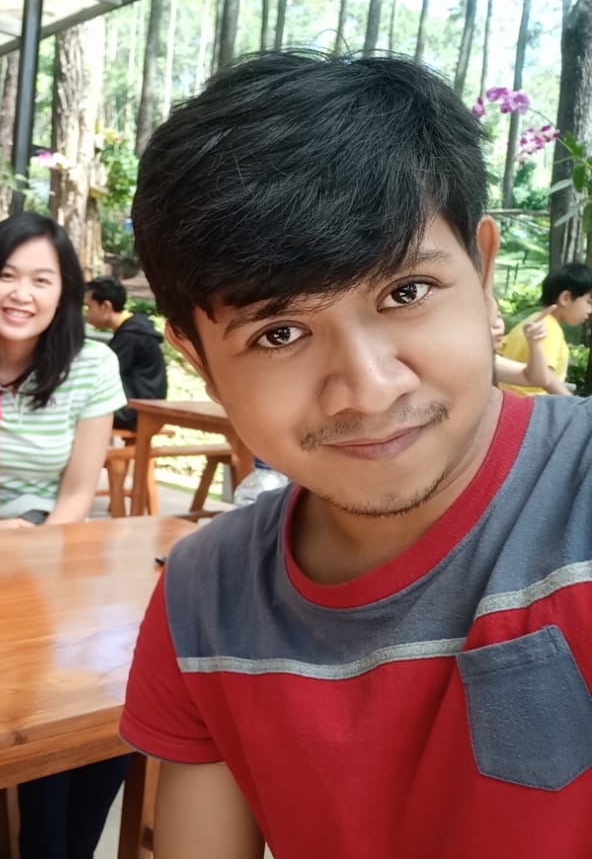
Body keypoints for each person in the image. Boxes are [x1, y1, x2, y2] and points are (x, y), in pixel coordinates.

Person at [121, 50, 592, 858]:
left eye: (406, 293)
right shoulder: (205, 599)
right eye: (280, 333)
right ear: (198, 358)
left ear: (483, 273)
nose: (368, 390)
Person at [0, 213, 130, 858]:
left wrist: (32, 548)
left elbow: (77, 495)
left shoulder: (91, 363)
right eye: (7, 276)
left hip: (52, 552)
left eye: (42, 279)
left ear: (65, 292)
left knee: (107, 706)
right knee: (26, 699)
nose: (21, 294)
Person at [496, 261, 592, 395]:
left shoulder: (529, 322)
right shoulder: (549, 329)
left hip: (508, 399)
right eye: (589, 302)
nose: (590, 310)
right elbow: (547, 379)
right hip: (533, 403)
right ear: (565, 298)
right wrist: (573, 402)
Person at [84, 274, 167, 430]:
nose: (87, 314)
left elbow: (99, 375)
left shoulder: (131, 336)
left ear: (106, 306)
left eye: (89, 307)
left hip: (137, 411)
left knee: (77, 410)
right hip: (142, 408)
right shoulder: (132, 329)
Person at [488, 293, 552, 389]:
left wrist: (534, 343)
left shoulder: (491, 361)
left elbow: (539, 379)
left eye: (499, 317)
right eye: (487, 318)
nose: (498, 325)